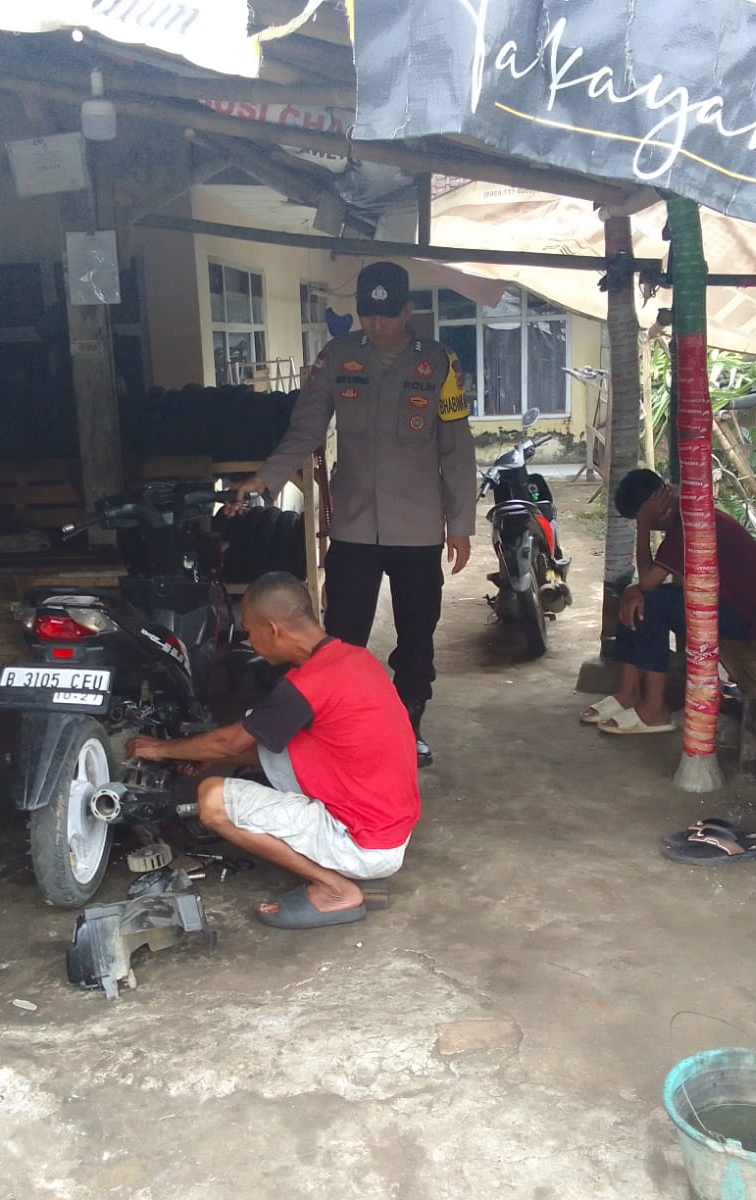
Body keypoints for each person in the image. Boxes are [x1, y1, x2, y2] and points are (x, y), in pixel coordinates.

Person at [231, 262, 475, 768]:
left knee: (416, 636)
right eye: (369, 314)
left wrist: (460, 524)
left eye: (388, 315)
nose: (378, 324)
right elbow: (305, 430)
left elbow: (456, 448)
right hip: (355, 525)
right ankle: (340, 727)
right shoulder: (337, 358)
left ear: (408, 311)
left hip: (418, 527)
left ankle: (408, 726)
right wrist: (267, 477)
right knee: (341, 636)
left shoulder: (439, 363)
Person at [126, 572, 420, 929]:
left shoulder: (307, 685)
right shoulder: (352, 659)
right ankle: (339, 871)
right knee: (270, 741)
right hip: (388, 826)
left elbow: (230, 742)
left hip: (362, 842)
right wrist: (205, 755)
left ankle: (335, 890)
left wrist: (161, 749)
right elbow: (261, 744)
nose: (250, 642)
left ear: (273, 630)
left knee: (212, 800)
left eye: (250, 633)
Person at [581, 468, 756, 734]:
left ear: (658, 508)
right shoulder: (684, 516)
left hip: (747, 619)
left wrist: (643, 526)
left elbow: (648, 581)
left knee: (648, 606)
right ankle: (628, 694)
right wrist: (634, 590)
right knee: (633, 598)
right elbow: (654, 582)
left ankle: (655, 712)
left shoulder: (689, 524)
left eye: (644, 517)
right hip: (724, 604)